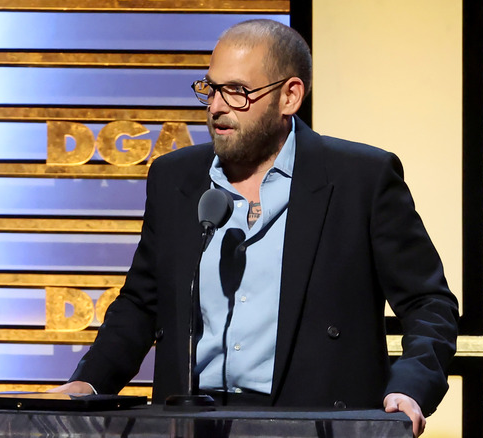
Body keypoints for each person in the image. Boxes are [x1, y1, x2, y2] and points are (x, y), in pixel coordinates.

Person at [52, 19, 458, 437]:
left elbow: (429, 303)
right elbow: (141, 302)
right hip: (192, 420)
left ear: (290, 96)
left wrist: (411, 388)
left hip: (314, 421)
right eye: (210, 89)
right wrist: (90, 382)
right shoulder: (176, 178)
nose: (216, 107)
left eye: (238, 91)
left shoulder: (361, 179)